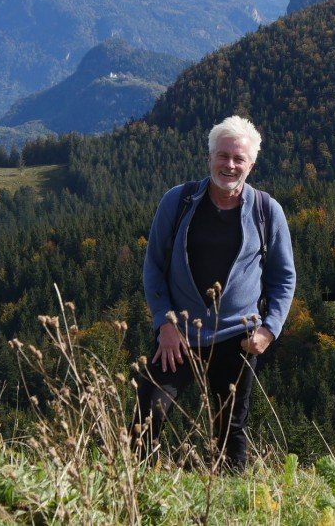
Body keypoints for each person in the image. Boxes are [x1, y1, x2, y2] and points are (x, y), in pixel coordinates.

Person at [135, 115, 296, 472]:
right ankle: (135, 491)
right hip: (179, 333)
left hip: (237, 338)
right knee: (149, 413)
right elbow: (153, 268)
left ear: (251, 165)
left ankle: (230, 501)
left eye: (239, 159)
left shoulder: (268, 212)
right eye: (223, 156)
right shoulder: (177, 202)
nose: (230, 165)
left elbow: (284, 278)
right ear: (208, 158)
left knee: (229, 430)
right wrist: (164, 323)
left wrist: (269, 329)